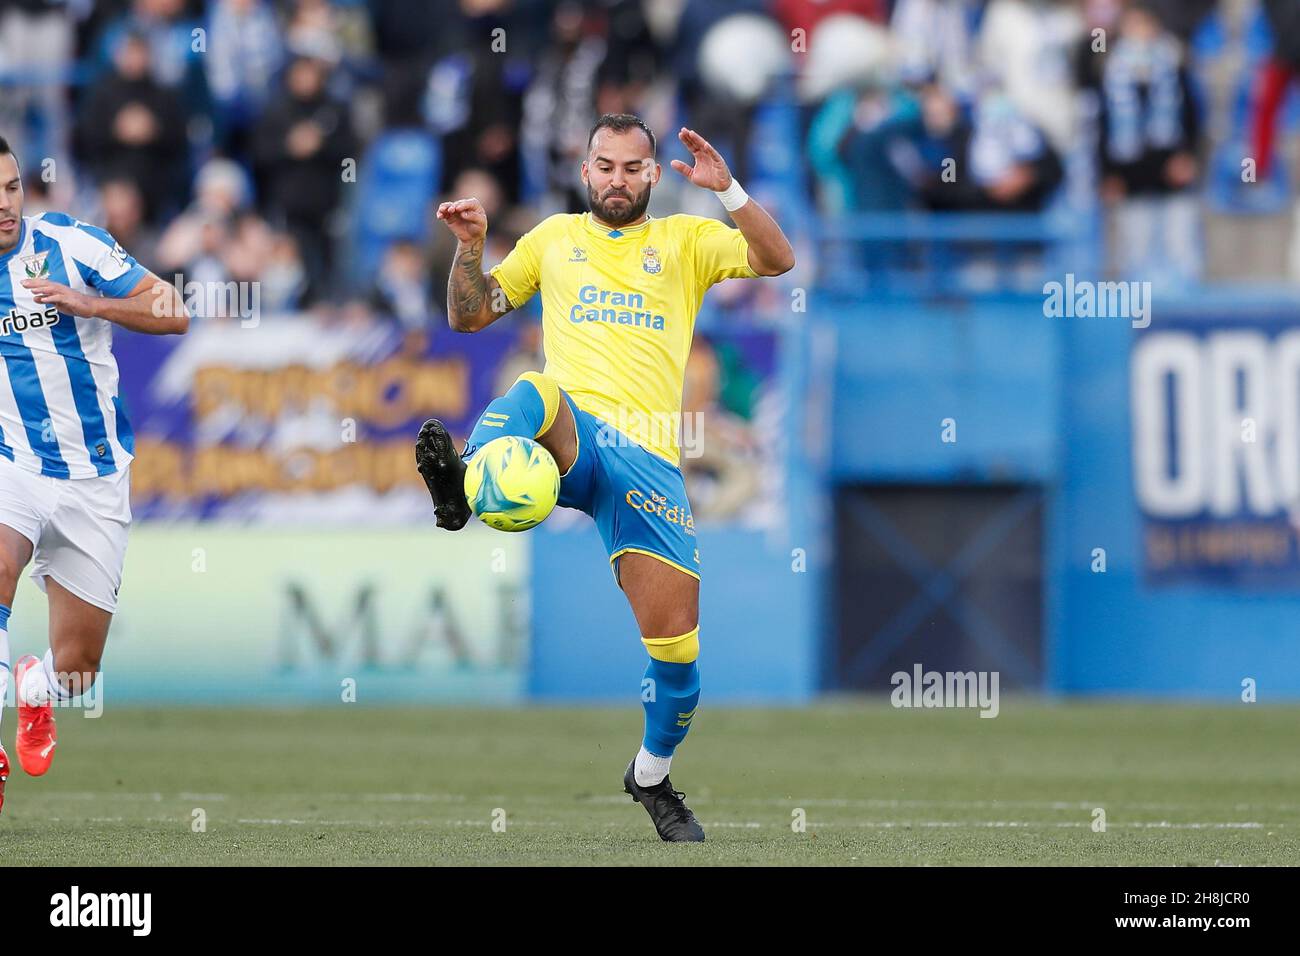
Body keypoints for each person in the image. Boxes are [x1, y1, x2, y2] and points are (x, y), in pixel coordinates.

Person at [414, 113, 794, 842]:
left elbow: (777, 260)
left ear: (652, 175)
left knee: (678, 660)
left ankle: (651, 776)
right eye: (604, 166)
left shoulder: (687, 241)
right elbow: (471, 316)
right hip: (574, 441)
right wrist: (470, 250)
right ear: (584, 171)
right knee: (537, 389)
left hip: (650, 464)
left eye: (631, 168)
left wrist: (731, 190)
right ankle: (461, 489)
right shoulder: (553, 239)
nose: (616, 179)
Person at [0, 134, 190, 816]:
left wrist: (92, 306)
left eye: (12, 187)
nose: (5, 204)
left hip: (95, 479)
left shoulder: (72, 246)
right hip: (12, 465)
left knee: (78, 670)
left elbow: (174, 311)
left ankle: (35, 691)